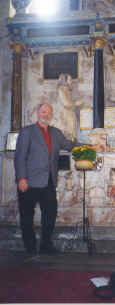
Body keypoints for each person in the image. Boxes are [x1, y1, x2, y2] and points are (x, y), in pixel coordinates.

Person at [14, 103, 84, 256]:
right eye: (43, 111)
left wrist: (89, 147)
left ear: (51, 115)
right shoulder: (27, 132)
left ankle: (46, 245)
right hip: (29, 182)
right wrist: (21, 178)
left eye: (49, 112)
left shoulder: (56, 133)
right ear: (37, 113)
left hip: (48, 182)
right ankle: (30, 248)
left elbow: (70, 145)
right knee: (27, 217)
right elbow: (19, 157)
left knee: (50, 214)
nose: (46, 115)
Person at [57, 73, 78, 141]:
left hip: (70, 113)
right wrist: (76, 103)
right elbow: (66, 103)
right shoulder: (61, 90)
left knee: (72, 131)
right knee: (68, 131)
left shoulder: (67, 90)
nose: (71, 81)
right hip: (66, 114)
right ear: (64, 80)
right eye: (70, 79)